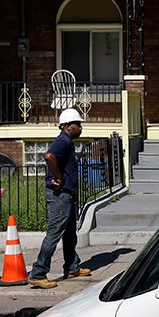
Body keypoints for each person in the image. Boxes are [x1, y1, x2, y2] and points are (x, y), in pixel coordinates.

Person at [28, 108, 92, 289]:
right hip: (60, 195)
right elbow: (49, 156)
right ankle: (38, 273)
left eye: (80, 124)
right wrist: (59, 177)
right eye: (77, 124)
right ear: (66, 126)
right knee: (54, 234)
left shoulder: (67, 141)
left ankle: (72, 267)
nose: (80, 127)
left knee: (70, 233)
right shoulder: (63, 141)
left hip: (67, 195)